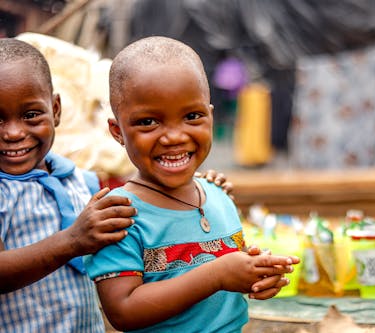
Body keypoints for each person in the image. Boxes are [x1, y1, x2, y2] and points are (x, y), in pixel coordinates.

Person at [0, 37, 234, 333]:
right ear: (117, 131)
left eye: (31, 115)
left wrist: (200, 189)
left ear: (55, 110)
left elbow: (149, 189)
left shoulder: (82, 182)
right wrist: (71, 242)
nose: (13, 132)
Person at [84, 36, 300, 332]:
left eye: (192, 116)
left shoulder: (218, 194)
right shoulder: (118, 215)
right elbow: (123, 311)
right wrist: (217, 275)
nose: (174, 136)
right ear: (117, 131)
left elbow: (226, 285)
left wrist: (258, 275)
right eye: (148, 122)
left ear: (211, 117)